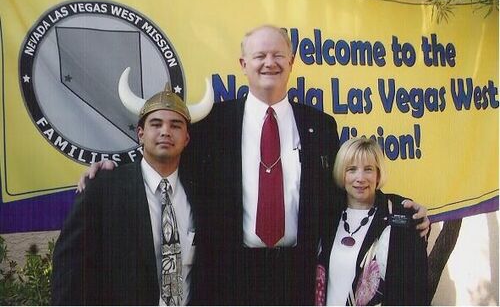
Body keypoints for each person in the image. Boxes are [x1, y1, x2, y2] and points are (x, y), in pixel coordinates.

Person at [78, 25, 430, 305]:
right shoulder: (213, 124)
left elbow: (345, 187)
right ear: (243, 64)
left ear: (292, 62)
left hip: (298, 276)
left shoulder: (321, 126)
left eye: (278, 55)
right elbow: (165, 157)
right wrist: (113, 170)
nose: (269, 63)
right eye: (259, 55)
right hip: (229, 276)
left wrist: (397, 208)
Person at [52, 74, 213, 305]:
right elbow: (69, 267)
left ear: (186, 138)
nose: (165, 131)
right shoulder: (103, 188)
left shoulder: (203, 194)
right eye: (156, 124)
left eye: (175, 125)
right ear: (141, 134)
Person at [315, 137, 428, 306]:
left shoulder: (399, 214)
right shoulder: (326, 216)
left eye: (368, 169)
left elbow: (416, 285)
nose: (360, 178)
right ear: (341, 173)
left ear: (378, 174)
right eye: (351, 169)